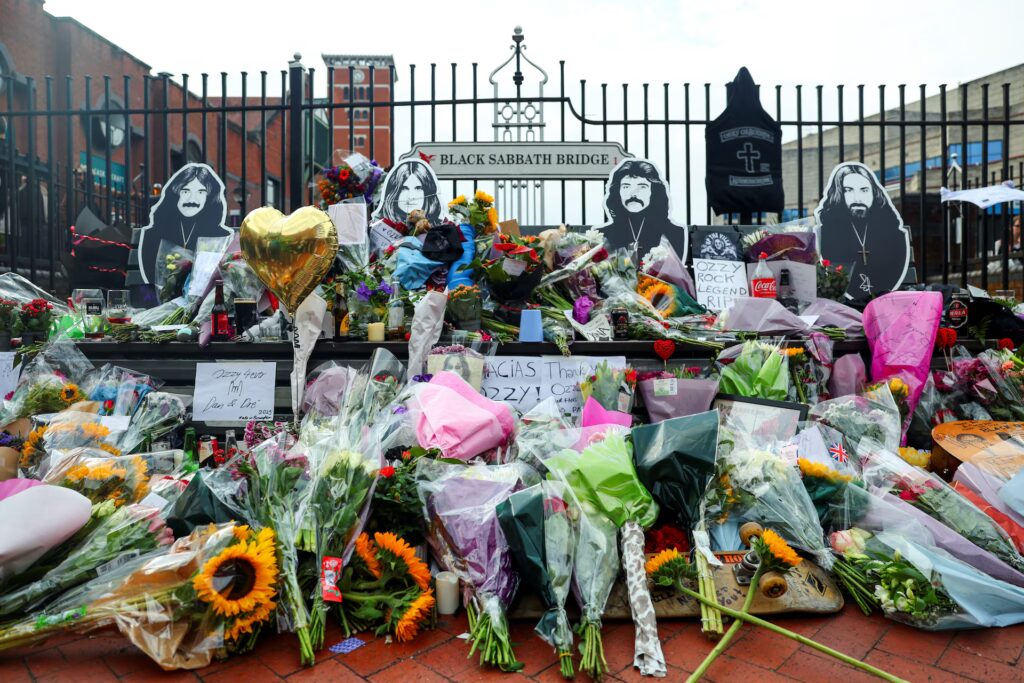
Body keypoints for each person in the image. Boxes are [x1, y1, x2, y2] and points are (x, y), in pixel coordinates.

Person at [816, 162, 910, 301]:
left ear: (874, 193)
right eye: (848, 190)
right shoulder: (828, 233)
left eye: (864, 190)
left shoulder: (891, 231)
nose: (857, 198)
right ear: (839, 194)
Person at [137, 163, 231, 284]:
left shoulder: (222, 236)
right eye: (185, 192)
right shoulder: (153, 234)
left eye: (201, 193)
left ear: (209, 198)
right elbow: (152, 277)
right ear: (175, 194)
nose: (192, 199)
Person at [595, 159, 687, 260]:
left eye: (642, 187)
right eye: (626, 187)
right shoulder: (602, 235)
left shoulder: (674, 233)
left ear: (654, 192)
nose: (633, 194)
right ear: (617, 192)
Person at [374, 159, 443, 225]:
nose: (411, 196)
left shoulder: (440, 227)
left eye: (418, 188)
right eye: (404, 188)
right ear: (394, 191)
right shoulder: (378, 223)